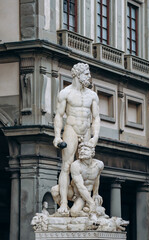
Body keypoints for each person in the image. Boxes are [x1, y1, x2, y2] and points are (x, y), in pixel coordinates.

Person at [53, 63, 100, 214]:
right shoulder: (65, 93)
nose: (89, 77)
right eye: (86, 74)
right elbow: (59, 116)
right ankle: (64, 204)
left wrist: (95, 137)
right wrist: (57, 136)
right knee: (66, 166)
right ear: (77, 75)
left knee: (86, 165)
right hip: (71, 129)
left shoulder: (92, 95)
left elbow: (96, 118)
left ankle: (85, 201)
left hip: (86, 130)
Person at [51, 142, 104, 217]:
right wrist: (91, 203)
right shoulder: (76, 165)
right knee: (55, 190)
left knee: (74, 212)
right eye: (80, 149)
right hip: (74, 191)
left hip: (83, 195)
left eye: (85, 149)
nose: (82, 151)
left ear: (92, 152)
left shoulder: (99, 165)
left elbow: (96, 179)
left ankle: (84, 213)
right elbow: (80, 186)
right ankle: (66, 211)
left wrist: (95, 194)